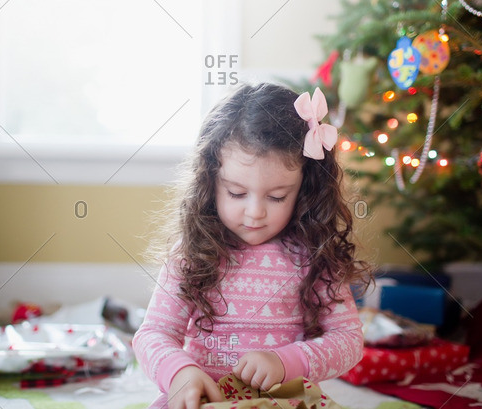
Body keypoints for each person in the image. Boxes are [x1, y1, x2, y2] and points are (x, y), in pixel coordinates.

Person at [132, 83, 371, 409]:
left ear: (304, 189)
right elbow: (153, 334)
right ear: (210, 181)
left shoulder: (314, 256)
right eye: (236, 193)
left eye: (276, 197)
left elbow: (348, 342)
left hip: (283, 401)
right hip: (205, 400)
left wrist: (286, 362)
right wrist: (180, 373)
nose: (255, 212)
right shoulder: (192, 253)